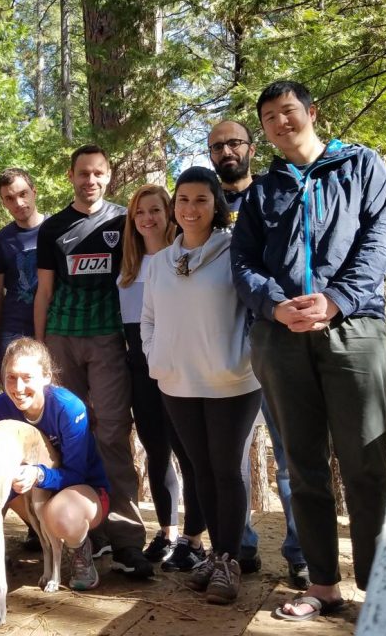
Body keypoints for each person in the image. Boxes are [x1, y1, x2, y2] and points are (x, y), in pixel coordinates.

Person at [231, 80, 386, 621]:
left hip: (354, 328)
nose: (280, 122)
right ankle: (323, 584)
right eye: (269, 117)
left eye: (288, 111)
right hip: (280, 336)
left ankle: (379, 588)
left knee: (365, 461)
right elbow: (243, 262)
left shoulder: (361, 166)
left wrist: (336, 300)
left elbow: (382, 241)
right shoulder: (262, 192)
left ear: (311, 112)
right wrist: (275, 305)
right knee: (302, 466)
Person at [142, 166, 262, 604]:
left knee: (226, 470)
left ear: (217, 206)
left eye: (201, 200)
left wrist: (242, 357)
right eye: (183, 199)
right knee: (200, 470)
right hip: (177, 383)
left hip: (232, 383)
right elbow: (149, 318)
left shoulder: (236, 253)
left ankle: (229, 561)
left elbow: (257, 310)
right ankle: (215, 555)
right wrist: (157, 358)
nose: (190, 208)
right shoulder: (161, 262)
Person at [34, 144, 151, 577]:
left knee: (114, 431)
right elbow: (44, 291)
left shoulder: (124, 221)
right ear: (71, 176)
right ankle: (85, 534)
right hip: (62, 339)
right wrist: (41, 347)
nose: (91, 180)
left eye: (98, 173)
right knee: (71, 435)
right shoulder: (52, 228)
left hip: (107, 338)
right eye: (83, 173)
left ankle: (126, 539)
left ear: (109, 176)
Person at [208, 120, 309, 589]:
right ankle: (239, 547)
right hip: (223, 346)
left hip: (274, 335)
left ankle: (301, 552)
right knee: (231, 457)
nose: (226, 151)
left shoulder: (274, 195)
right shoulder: (202, 205)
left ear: (251, 147)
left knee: (290, 453)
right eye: (217, 146)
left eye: (234, 143)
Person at [118, 185, 208, 570]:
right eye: (140, 212)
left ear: (168, 214)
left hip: (178, 369)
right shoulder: (127, 267)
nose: (147, 218)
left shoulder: (181, 258)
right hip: (141, 371)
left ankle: (194, 539)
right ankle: (167, 533)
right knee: (157, 451)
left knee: (189, 453)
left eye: (155, 210)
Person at [0, 338, 110, 591]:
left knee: (62, 515)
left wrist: (39, 476)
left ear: (46, 377)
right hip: (31, 491)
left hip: (80, 491)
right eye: (11, 378)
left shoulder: (67, 407)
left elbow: (76, 473)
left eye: (27, 377)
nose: (18, 388)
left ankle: (79, 549)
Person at [0, 168, 45, 368]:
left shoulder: (57, 229)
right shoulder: (0, 241)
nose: (19, 203)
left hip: (54, 326)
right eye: (10, 198)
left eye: (23, 194)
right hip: (14, 328)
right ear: (3, 202)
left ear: (34, 192)